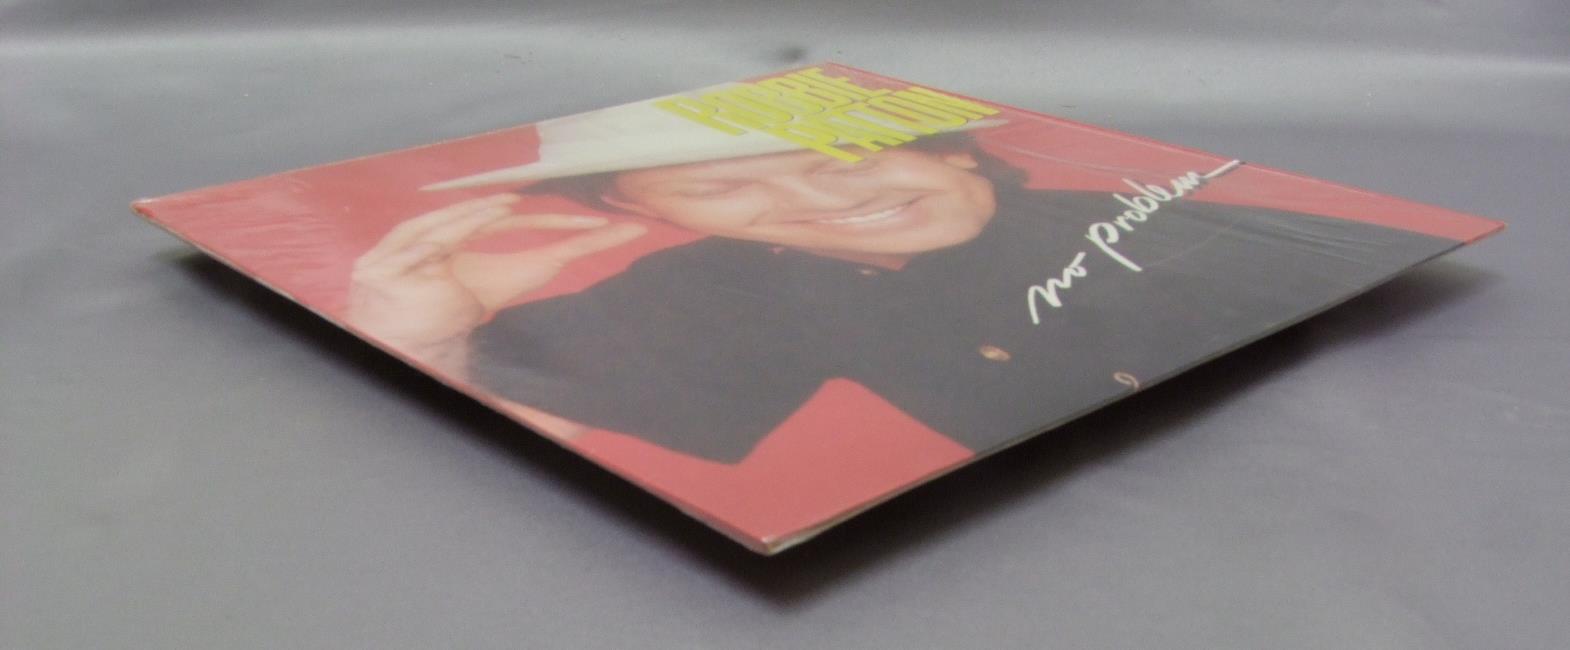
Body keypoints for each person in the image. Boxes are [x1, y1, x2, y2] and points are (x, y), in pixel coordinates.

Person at [346, 122, 1454, 464]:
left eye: (846, 154)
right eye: (722, 186)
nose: (829, 199)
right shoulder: (725, 280)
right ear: (668, 218)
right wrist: (437, 336)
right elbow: (549, 437)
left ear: (957, 150)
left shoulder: (1187, 225)